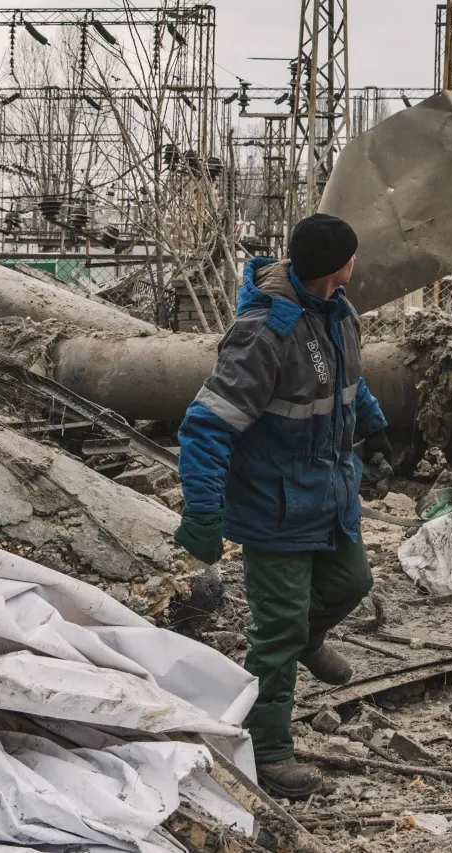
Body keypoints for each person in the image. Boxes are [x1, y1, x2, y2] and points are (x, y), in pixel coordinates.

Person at [175, 212, 386, 797]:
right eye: (351, 256)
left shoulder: (337, 312)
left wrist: (375, 424)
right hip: (274, 506)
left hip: (330, 493)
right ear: (335, 265)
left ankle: (308, 641)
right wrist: (202, 512)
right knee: (276, 633)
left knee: (352, 583)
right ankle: (266, 751)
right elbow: (206, 426)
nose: (355, 265)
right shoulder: (264, 334)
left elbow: (348, 384)